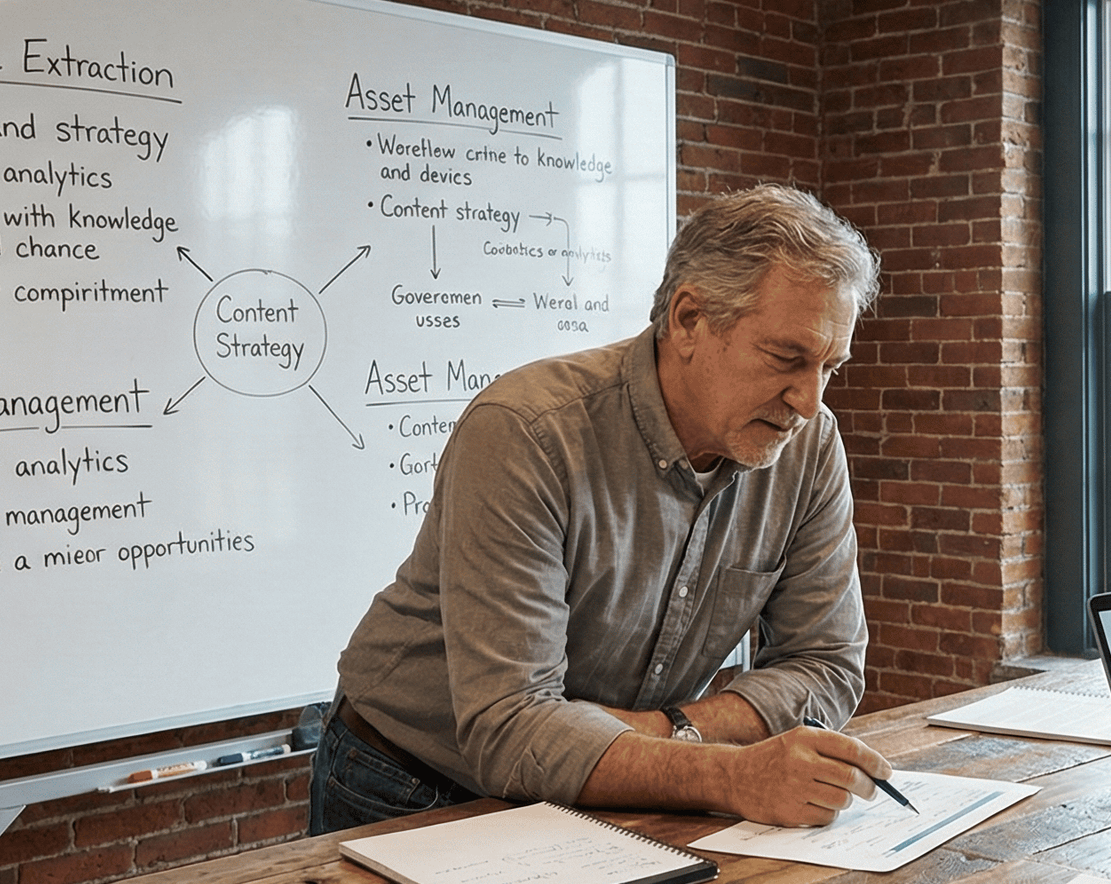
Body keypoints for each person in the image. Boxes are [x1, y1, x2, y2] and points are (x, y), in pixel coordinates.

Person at [310, 184, 890, 836]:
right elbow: (512, 728)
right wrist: (730, 773)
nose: (809, 401)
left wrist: (674, 731)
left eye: (829, 367)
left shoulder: (808, 444)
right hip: (418, 781)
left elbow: (829, 667)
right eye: (788, 358)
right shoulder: (528, 431)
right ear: (689, 319)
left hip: (624, 782)